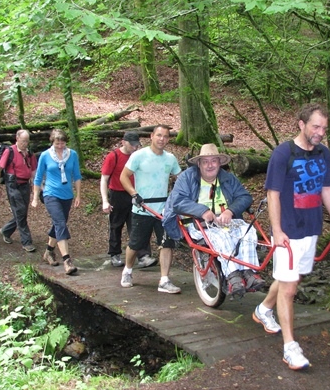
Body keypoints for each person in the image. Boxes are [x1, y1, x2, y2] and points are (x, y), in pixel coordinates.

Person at [253, 103, 330, 370]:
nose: (320, 132)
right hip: (288, 230)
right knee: (290, 288)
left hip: (311, 228)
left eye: (324, 128)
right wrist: (277, 231)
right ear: (301, 124)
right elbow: (272, 194)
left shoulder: (323, 154)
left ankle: (263, 309)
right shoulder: (283, 153)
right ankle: (290, 348)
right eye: (316, 126)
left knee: (290, 277)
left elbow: (327, 189)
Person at [162, 143, 266, 296]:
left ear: (219, 162)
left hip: (226, 221)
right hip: (198, 223)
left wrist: (231, 211)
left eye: (214, 161)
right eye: (205, 161)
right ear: (199, 164)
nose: (210, 165)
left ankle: (249, 272)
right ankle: (233, 277)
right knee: (221, 238)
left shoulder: (227, 178)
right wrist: (202, 211)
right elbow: (177, 201)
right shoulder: (187, 177)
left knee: (247, 233)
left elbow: (244, 197)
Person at [119, 125, 182, 293]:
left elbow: (180, 178)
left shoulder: (170, 159)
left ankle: (164, 280)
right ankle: (128, 270)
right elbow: (123, 176)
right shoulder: (138, 156)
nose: (162, 139)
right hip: (143, 208)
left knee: (167, 243)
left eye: (166, 136)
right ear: (152, 136)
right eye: (159, 135)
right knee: (135, 244)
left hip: (163, 210)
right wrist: (134, 194)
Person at [100, 131, 157, 268]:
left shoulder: (138, 156)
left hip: (135, 194)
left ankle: (143, 255)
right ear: (123, 142)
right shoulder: (113, 156)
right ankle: (115, 254)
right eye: (132, 145)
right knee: (116, 225)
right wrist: (105, 200)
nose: (134, 148)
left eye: (136, 145)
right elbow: (104, 179)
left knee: (138, 224)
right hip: (117, 194)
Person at [31, 129, 82, 275]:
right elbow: (38, 177)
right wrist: (35, 197)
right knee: (60, 223)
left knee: (58, 224)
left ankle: (48, 252)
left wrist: (78, 195)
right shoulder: (46, 156)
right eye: (57, 143)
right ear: (52, 142)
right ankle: (67, 260)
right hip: (50, 194)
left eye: (62, 142)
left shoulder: (72, 155)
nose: (60, 145)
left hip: (67, 195)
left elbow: (77, 175)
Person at [0, 129, 38, 252]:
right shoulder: (10, 151)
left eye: (27, 141)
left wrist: (37, 188)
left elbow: (34, 172)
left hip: (25, 185)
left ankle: (6, 230)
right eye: (23, 141)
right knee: (20, 211)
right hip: (12, 185)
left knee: (21, 213)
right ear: (17, 139)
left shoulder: (30, 154)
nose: (25, 144)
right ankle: (26, 242)